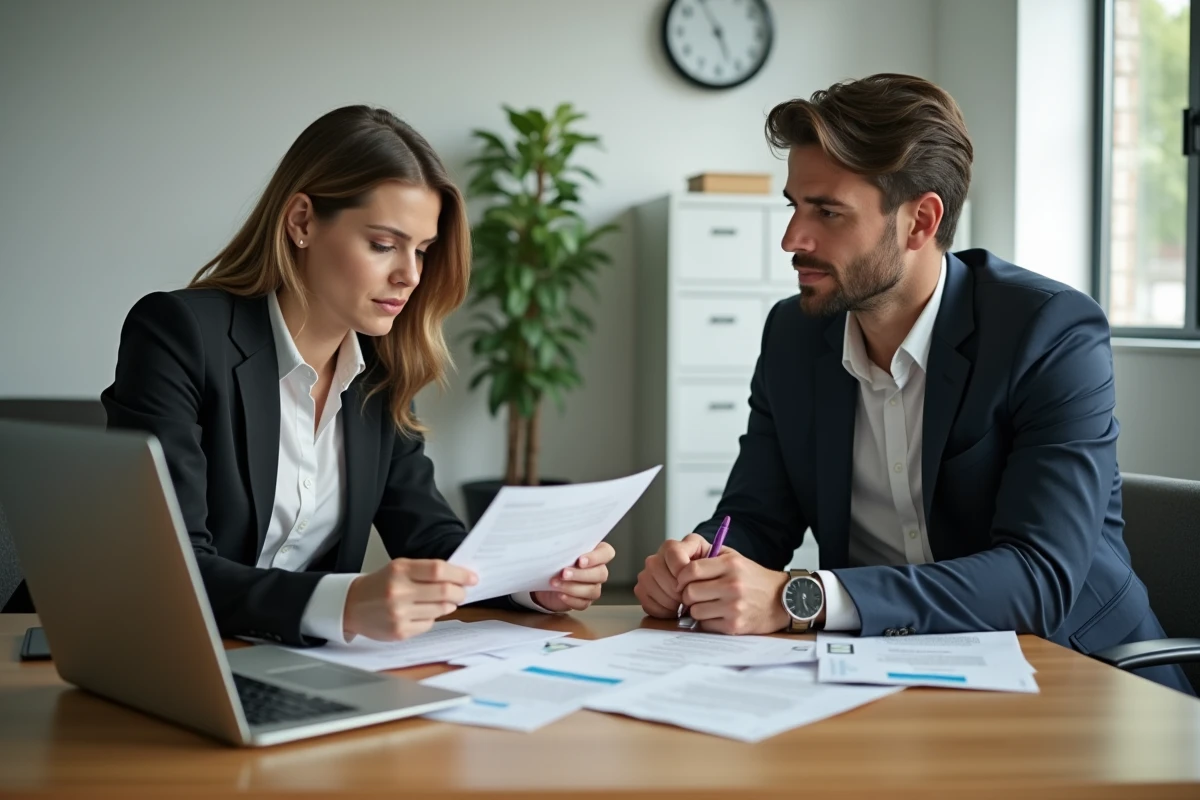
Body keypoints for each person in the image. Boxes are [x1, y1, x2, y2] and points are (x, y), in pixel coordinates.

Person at [634, 74, 1192, 695]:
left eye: (827, 211)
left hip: (1078, 677)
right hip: (886, 675)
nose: (793, 239)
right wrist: (697, 564)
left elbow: (1038, 579)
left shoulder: (1049, 331)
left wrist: (804, 596)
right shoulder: (794, 334)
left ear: (920, 221)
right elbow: (756, 517)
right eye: (794, 205)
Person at [99, 105, 614, 646]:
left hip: (285, 664)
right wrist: (342, 602)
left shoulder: (379, 372)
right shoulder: (179, 333)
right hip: (134, 649)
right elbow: (170, 565)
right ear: (301, 222)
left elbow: (428, 534)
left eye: (422, 250)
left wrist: (533, 581)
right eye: (383, 244)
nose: (410, 275)